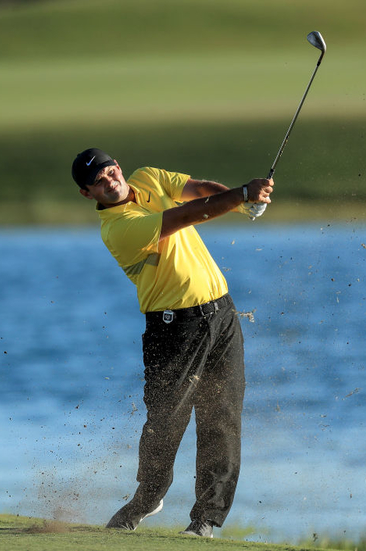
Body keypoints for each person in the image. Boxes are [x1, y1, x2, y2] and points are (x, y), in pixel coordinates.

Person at [71, 148, 273, 538]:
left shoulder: (148, 177)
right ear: (88, 194)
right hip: (173, 327)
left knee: (222, 417)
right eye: (98, 180)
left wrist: (241, 202)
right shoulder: (117, 227)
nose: (109, 179)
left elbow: (197, 191)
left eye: (110, 170)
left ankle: (206, 520)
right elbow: (183, 217)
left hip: (222, 315)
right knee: (165, 422)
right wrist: (241, 196)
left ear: (119, 167)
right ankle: (148, 497)